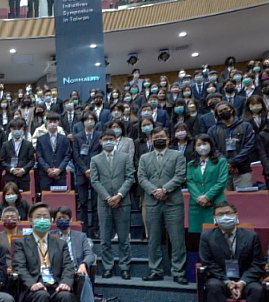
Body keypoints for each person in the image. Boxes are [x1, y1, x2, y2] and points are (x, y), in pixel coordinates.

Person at [199, 201, 266, 302]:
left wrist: (242, 282)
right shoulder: (207, 236)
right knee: (212, 286)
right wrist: (227, 282)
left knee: (257, 289)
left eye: (228, 213)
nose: (225, 217)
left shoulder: (251, 236)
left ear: (236, 216)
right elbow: (207, 262)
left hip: (245, 278)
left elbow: (258, 263)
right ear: (215, 219)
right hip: (220, 277)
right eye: (220, 214)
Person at [137, 126, 188, 284]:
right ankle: (155, 269)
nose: (159, 139)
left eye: (162, 136)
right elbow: (141, 177)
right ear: (151, 140)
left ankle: (178, 271)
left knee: (177, 238)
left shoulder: (178, 155)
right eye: (155, 137)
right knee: (153, 238)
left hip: (173, 201)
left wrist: (165, 189)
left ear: (168, 138)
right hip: (152, 202)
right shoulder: (144, 158)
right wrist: (154, 191)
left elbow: (180, 175)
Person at [90, 130, 134, 279]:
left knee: (123, 238)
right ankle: (107, 267)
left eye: (111, 139)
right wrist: (108, 197)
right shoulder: (95, 159)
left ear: (116, 140)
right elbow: (94, 180)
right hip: (104, 202)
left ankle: (124, 267)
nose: (108, 141)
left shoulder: (125, 157)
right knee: (105, 239)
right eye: (105, 139)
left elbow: (129, 177)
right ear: (100, 141)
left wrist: (119, 195)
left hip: (122, 202)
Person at [52, 207, 98, 302]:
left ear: (70, 219)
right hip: (58, 273)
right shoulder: (50, 236)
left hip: (76, 271)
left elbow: (90, 254)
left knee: (85, 278)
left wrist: (83, 264)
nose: (62, 220)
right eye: (59, 218)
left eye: (64, 218)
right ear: (54, 221)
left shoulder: (80, 236)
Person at [185, 135, 228, 234]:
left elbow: (221, 181)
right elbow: (190, 182)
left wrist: (207, 197)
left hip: (215, 202)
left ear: (210, 145)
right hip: (197, 205)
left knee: (216, 232)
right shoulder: (191, 164)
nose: (202, 147)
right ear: (195, 148)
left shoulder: (220, 161)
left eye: (204, 143)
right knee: (198, 234)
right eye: (199, 145)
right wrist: (199, 198)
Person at [208, 101, 256, 191]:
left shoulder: (246, 126)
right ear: (217, 114)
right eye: (220, 111)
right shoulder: (212, 130)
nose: (223, 111)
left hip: (242, 170)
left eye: (226, 109)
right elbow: (213, 149)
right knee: (223, 201)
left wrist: (233, 162)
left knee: (244, 200)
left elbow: (249, 146)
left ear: (232, 110)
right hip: (221, 172)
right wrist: (225, 163)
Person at [74, 112, 103, 237]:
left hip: (96, 172)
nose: (90, 121)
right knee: (83, 202)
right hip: (82, 173)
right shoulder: (77, 137)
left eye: (92, 119)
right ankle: (84, 228)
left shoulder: (99, 135)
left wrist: (93, 169)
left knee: (97, 202)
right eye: (87, 119)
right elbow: (75, 155)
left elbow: (102, 153)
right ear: (83, 121)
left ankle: (96, 229)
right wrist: (85, 169)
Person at [36, 112, 71, 191]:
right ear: (46, 122)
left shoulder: (64, 139)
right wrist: (47, 169)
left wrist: (59, 169)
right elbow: (39, 156)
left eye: (54, 122)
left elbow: (67, 155)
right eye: (50, 122)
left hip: (60, 174)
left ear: (58, 123)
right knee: (46, 197)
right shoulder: (40, 139)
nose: (52, 124)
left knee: (59, 198)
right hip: (45, 174)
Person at [0, 118, 35, 192]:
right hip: (10, 177)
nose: (17, 131)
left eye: (19, 128)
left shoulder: (28, 144)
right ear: (11, 129)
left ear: (23, 129)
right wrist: (11, 169)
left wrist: (23, 170)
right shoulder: (5, 145)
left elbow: (32, 160)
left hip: (24, 177)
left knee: (25, 198)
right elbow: (2, 160)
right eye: (14, 128)